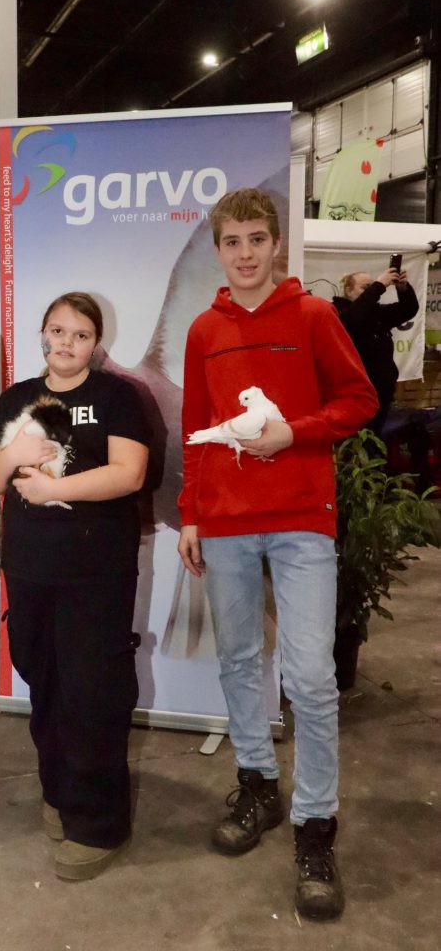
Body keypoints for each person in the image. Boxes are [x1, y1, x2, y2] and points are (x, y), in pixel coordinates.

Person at [178, 188, 377, 921]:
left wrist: (294, 432)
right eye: (232, 241)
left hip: (300, 520)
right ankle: (258, 786)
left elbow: (358, 401)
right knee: (236, 660)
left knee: (312, 676)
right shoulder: (204, 330)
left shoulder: (314, 315)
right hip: (225, 523)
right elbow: (195, 425)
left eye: (256, 239)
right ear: (218, 249)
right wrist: (190, 514)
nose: (245, 253)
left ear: (276, 244)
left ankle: (315, 826)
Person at [0, 292, 149, 881]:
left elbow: (130, 473)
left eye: (80, 334)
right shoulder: (18, 397)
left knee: (93, 693)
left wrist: (55, 489)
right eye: (57, 330)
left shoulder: (118, 396)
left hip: (96, 572)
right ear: (43, 335)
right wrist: (14, 453)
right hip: (30, 568)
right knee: (45, 684)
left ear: (96, 343)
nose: (66, 343)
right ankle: (60, 793)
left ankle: (99, 825)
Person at [333, 264, 419, 435]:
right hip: (355, 395)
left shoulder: (376, 313)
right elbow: (353, 319)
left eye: (371, 286)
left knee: (376, 442)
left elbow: (408, 309)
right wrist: (378, 286)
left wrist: (403, 289)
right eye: (365, 287)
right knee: (356, 444)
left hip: (381, 393)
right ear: (348, 291)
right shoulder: (338, 312)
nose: (371, 291)